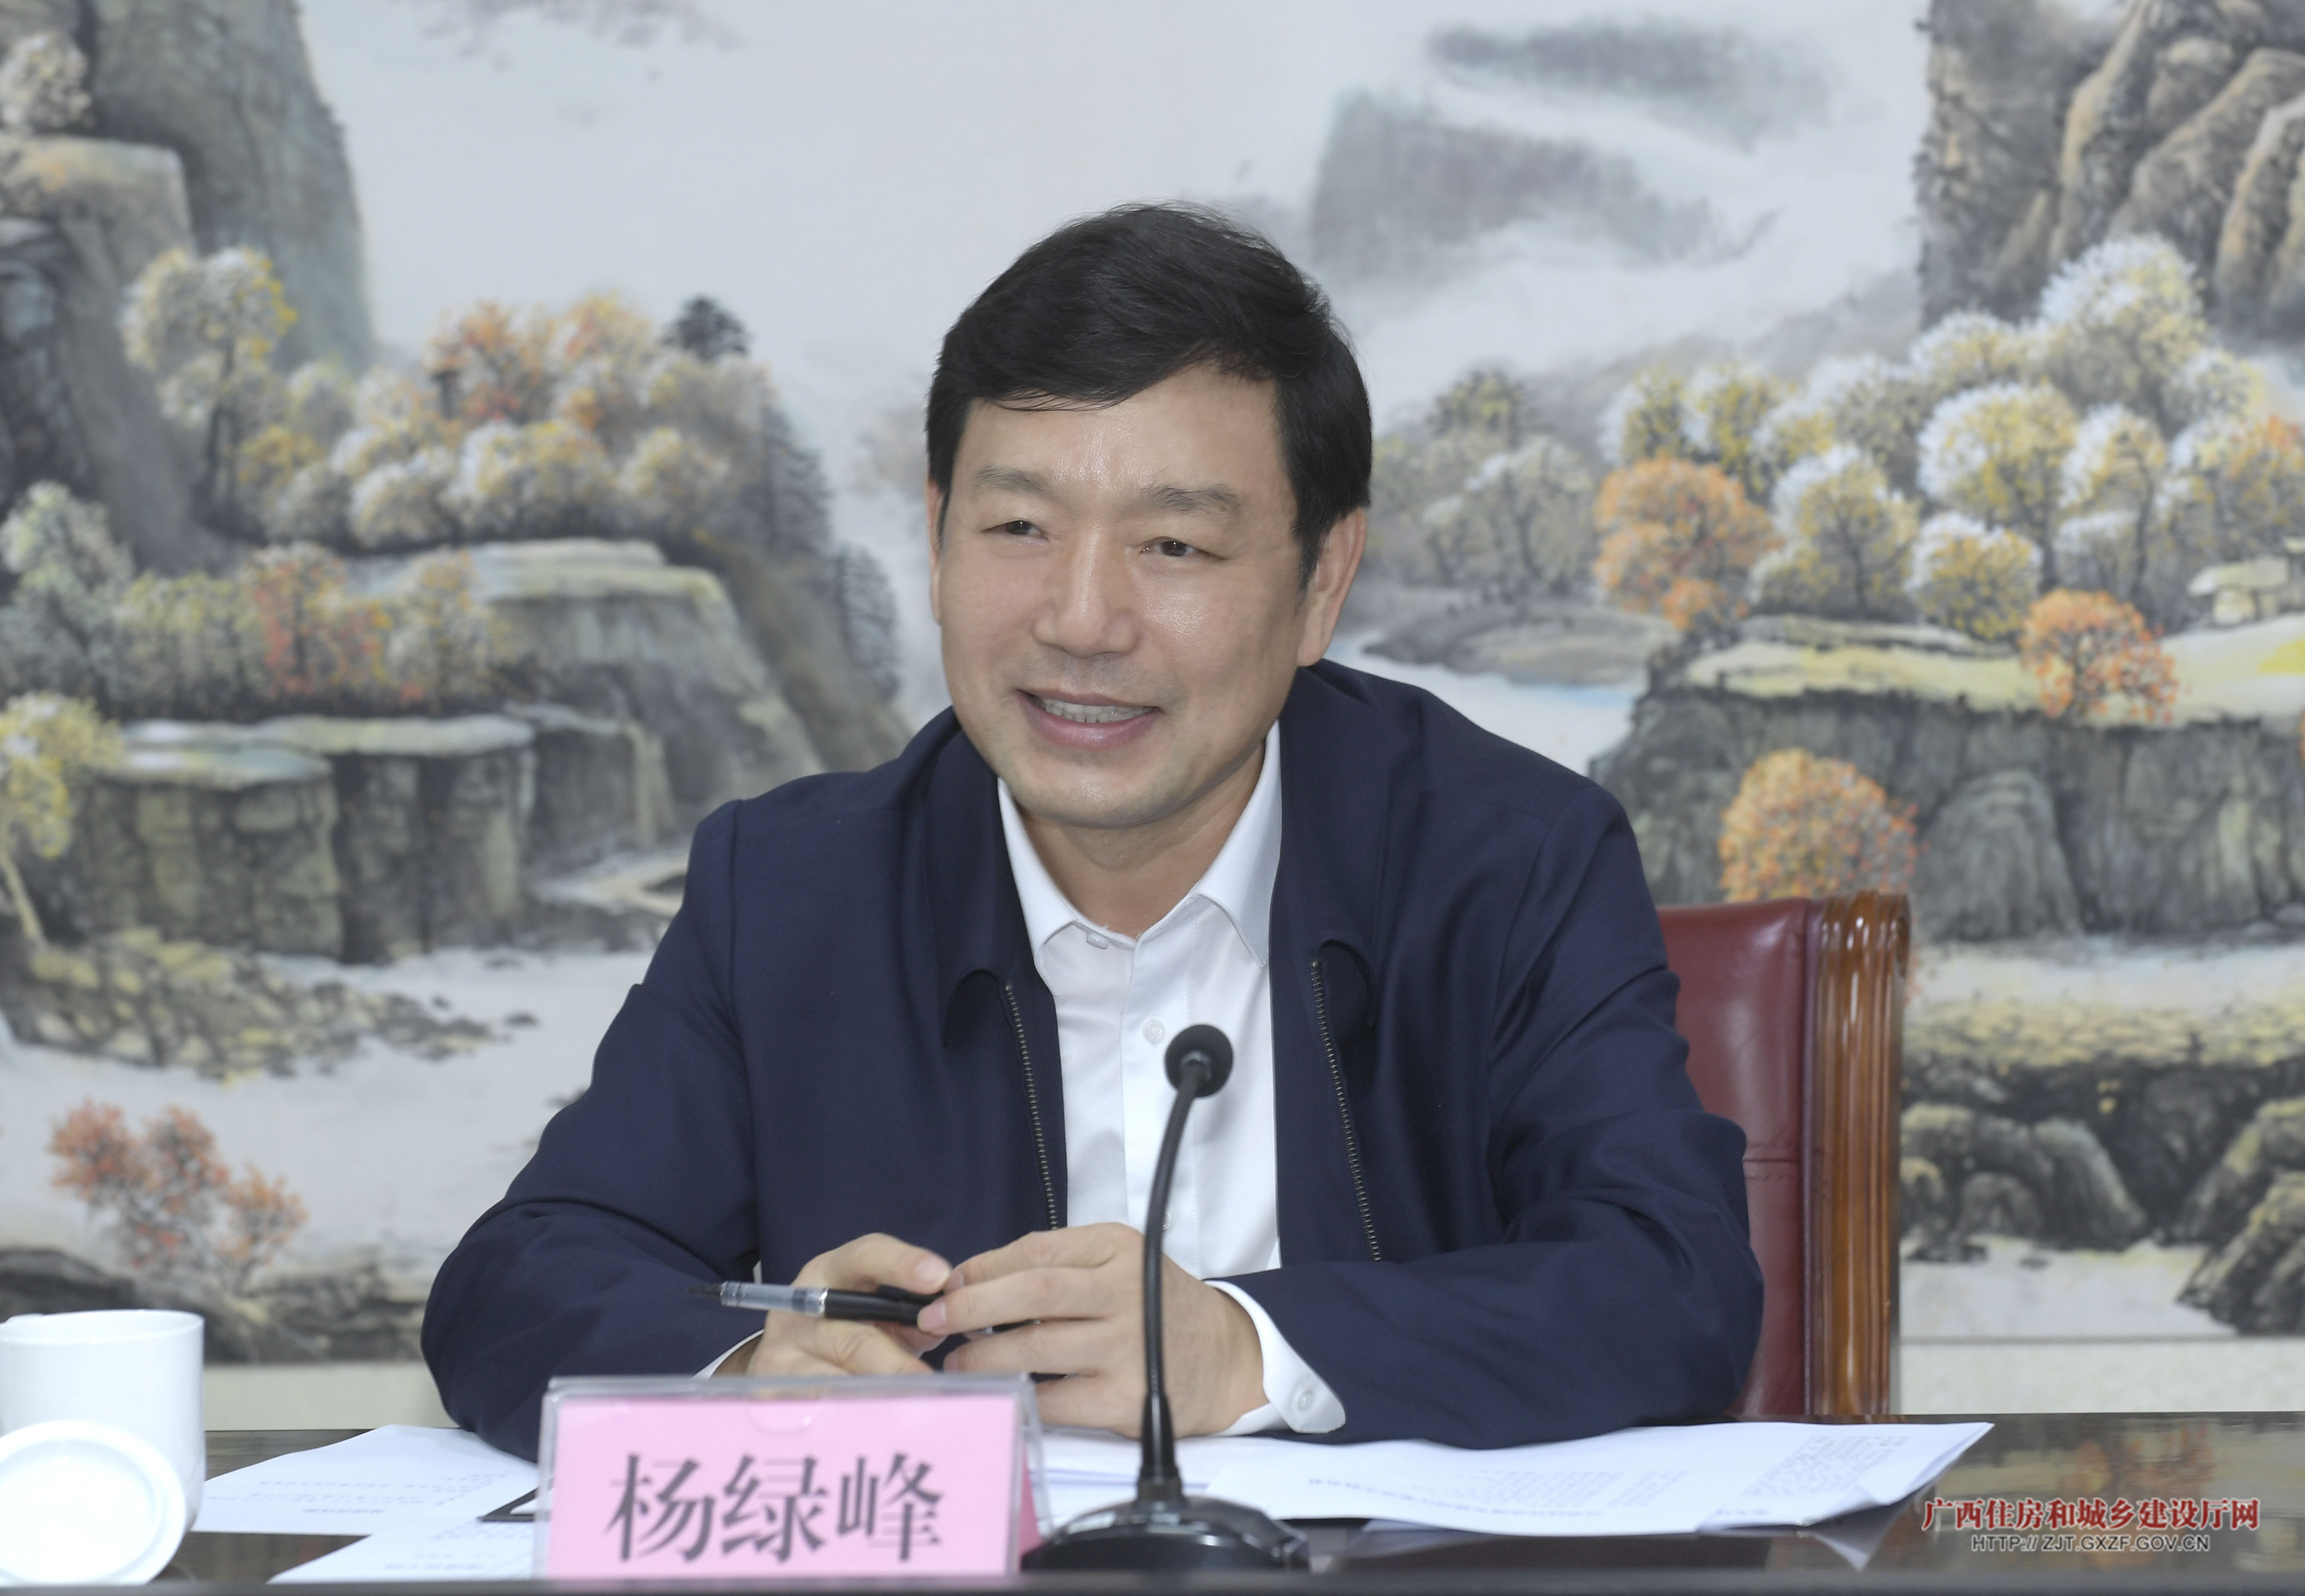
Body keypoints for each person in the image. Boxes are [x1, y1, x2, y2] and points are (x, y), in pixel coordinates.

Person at [424, 204, 1761, 1461]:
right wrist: (747, 1379)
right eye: (1018, 527)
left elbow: (1671, 1285)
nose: (1080, 621)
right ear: (936, 539)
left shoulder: (1510, 863)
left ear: (1322, 583)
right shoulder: (787, 895)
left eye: (1173, 547)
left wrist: (1244, 1353)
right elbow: (518, 1284)